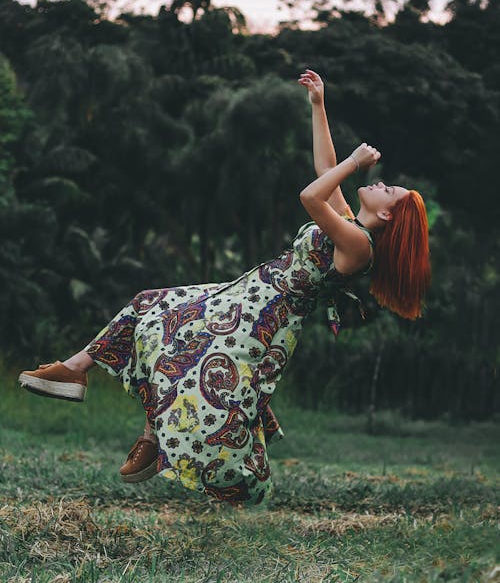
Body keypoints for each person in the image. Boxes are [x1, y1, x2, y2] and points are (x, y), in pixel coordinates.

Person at [18, 69, 431, 506]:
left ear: (387, 216)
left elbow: (311, 196)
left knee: (188, 358)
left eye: (389, 190)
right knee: (149, 306)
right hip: (249, 292)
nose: (380, 183)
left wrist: (353, 163)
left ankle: (160, 442)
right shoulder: (348, 222)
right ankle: (75, 371)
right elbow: (325, 170)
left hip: (266, 318)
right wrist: (318, 105)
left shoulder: (360, 246)